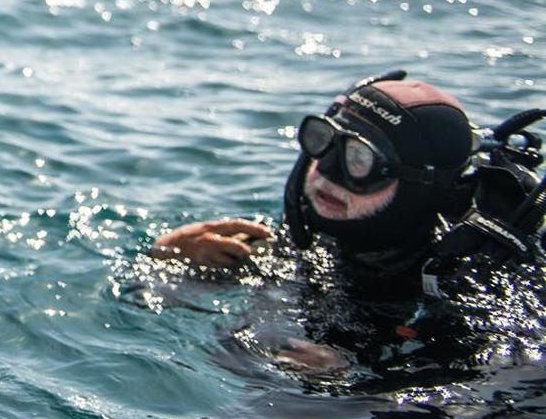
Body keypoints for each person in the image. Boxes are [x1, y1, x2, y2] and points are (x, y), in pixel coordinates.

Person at [151, 72, 544, 367]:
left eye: (360, 160)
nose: (330, 172)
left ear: (422, 187)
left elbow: (503, 415)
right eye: (326, 143)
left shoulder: (477, 286)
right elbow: (148, 316)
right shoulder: (306, 237)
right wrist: (168, 257)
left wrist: (359, 383)